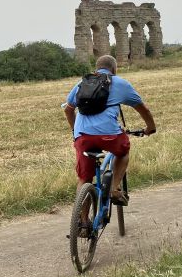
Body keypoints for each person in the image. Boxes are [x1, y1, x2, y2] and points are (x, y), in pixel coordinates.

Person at [63, 55, 156, 213]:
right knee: (123, 151)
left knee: (84, 178)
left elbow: (68, 109)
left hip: (83, 136)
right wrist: (150, 127)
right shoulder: (120, 83)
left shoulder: (82, 83)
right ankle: (113, 188)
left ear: (96, 68)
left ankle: (83, 223)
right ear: (115, 69)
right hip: (109, 135)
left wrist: (75, 131)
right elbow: (143, 109)